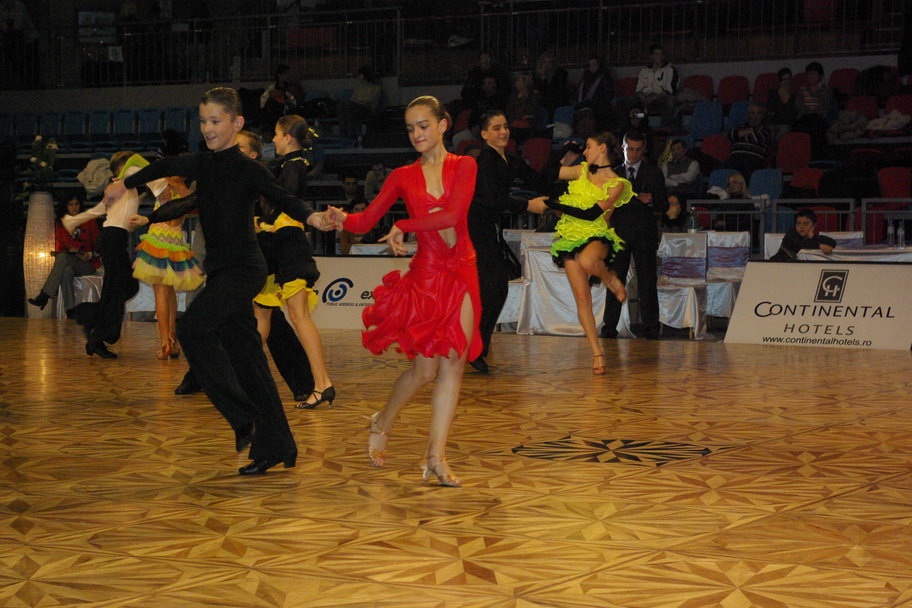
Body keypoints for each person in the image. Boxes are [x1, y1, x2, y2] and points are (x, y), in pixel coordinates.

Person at [115, 87, 333, 476]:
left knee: (193, 328)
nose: (208, 128)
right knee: (250, 361)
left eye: (215, 121)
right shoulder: (204, 164)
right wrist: (126, 184)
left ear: (237, 123)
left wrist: (313, 218)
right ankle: (278, 446)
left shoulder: (250, 169)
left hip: (244, 269)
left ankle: (244, 417)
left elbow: (285, 199)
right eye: (203, 121)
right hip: (220, 270)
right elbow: (165, 166)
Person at [325, 95, 480, 488]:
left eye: (423, 126)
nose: (416, 134)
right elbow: (365, 221)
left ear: (442, 125)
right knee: (425, 370)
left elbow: (453, 216)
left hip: (462, 271)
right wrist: (342, 218)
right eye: (410, 128)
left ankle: (435, 457)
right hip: (427, 277)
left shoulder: (465, 165)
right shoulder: (402, 175)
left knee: (453, 365)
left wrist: (404, 225)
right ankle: (382, 421)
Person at [254, 114, 335, 409]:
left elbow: (286, 200)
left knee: (298, 316)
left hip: (287, 245)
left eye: (276, 135)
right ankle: (247, 376)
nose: (273, 140)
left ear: (287, 137)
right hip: (277, 246)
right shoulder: (291, 164)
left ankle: (322, 383)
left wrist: (264, 221)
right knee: (262, 311)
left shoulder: (294, 164)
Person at [467, 110, 548, 374]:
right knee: (493, 287)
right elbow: (492, 201)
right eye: (496, 128)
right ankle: (474, 348)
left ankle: (475, 348)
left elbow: (537, 179)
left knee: (494, 288)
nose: (503, 132)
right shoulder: (485, 161)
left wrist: (566, 180)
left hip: (486, 229)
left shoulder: (509, 159)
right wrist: (528, 205)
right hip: (473, 228)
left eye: (505, 127)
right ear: (484, 134)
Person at [545, 132, 630, 374]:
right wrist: (564, 151)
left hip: (597, 235)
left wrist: (555, 205)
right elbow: (548, 173)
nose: (585, 151)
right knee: (582, 298)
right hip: (570, 238)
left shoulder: (617, 183)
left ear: (602, 148)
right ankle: (597, 353)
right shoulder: (580, 170)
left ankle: (610, 277)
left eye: (589, 146)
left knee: (588, 260)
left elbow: (592, 214)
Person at [66, 151, 164, 359]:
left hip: (114, 239)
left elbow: (104, 209)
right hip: (112, 239)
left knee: (127, 286)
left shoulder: (122, 188)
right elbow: (139, 166)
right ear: (124, 169)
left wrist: (73, 220)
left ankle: (90, 315)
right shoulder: (124, 181)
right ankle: (96, 336)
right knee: (118, 289)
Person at [602, 131, 668, 340]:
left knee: (647, 281)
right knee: (614, 279)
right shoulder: (613, 173)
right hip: (619, 233)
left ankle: (650, 327)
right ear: (623, 148)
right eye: (630, 149)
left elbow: (664, 205)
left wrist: (652, 201)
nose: (634, 153)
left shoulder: (653, 172)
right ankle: (609, 326)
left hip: (644, 233)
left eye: (638, 149)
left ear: (644, 150)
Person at [132, 175, 205, 359]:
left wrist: (123, 176)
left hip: (158, 242)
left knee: (161, 294)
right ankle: (172, 339)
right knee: (170, 291)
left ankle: (165, 343)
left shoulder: (163, 184)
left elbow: (137, 165)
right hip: (175, 243)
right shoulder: (187, 192)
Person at [27, 195, 102, 315]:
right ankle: (70, 310)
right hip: (70, 261)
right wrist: (71, 251)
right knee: (67, 270)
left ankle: (45, 294)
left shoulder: (89, 222)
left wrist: (88, 254)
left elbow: (100, 247)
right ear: (65, 206)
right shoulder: (61, 224)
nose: (74, 207)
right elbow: (60, 248)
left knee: (63, 257)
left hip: (87, 264)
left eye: (76, 204)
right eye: (70, 204)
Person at [792, 62, 833, 159]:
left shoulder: (826, 91)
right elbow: (799, 107)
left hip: (819, 120)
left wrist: (817, 92)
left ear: (820, 76)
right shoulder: (802, 91)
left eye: (814, 73)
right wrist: (812, 111)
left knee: (816, 126)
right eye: (809, 74)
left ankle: (817, 157)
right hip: (804, 119)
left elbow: (823, 108)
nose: (811, 76)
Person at [770, 208, 836, 261]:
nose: (801, 226)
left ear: (814, 226)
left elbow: (832, 242)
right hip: (778, 264)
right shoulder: (791, 235)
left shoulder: (812, 236)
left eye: (806, 224)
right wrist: (820, 246)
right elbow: (802, 245)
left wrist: (812, 236)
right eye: (798, 223)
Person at [728, 103, 772, 181]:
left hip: (753, 159)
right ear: (748, 115)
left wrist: (741, 134)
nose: (755, 116)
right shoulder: (740, 126)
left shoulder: (765, 130)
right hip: (735, 158)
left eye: (758, 114)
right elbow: (730, 134)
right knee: (720, 170)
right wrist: (749, 132)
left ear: (762, 116)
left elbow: (756, 138)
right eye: (753, 113)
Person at [337, 65, 383, 139]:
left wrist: (358, 101)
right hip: (356, 106)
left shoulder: (376, 87)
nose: (358, 77)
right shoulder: (360, 86)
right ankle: (343, 133)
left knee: (350, 107)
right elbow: (353, 98)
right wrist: (358, 101)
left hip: (367, 109)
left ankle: (351, 134)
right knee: (342, 105)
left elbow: (370, 100)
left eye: (359, 75)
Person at [259, 64, 302, 137]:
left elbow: (295, 104)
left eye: (289, 74)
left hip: (287, 113)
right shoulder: (272, 88)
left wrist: (286, 99)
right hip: (273, 114)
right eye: (286, 73)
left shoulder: (291, 88)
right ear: (279, 75)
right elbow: (263, 102)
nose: (288, 76)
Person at [574, 55, 614, 131]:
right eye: (590, 65)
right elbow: (577, 93)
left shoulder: (605, 78)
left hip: (598, 105)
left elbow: (607, 94)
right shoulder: (584, 79)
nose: (592, 67)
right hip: (582, 104)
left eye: (594, 65)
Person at [505, 71, 542, 141]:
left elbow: (532, 112)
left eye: (519, 80)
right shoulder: (513, 95)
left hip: (528, 125)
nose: (516, 83)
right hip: (513, 124)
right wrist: (521, 116)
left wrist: (523, 116)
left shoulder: (534, 96)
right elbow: (509, 111)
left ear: (526, 82)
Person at [533, 51, 569, 119]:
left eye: (549, 62)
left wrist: (544, 80)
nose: (547, 65)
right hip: (541, 101)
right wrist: (542, 78)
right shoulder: (536, 75)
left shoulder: (559, 74)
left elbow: (554, 92)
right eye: (545, 62)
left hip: (555, 101)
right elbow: (536, 90)